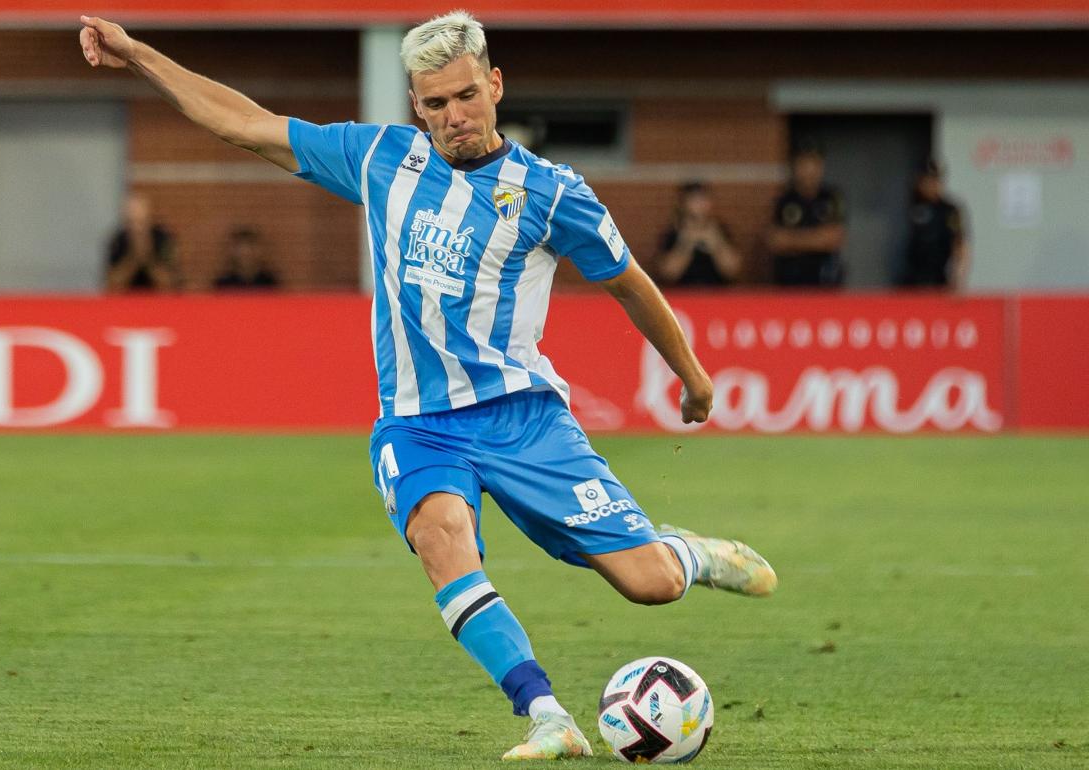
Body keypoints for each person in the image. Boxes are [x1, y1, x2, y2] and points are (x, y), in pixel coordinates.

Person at [81, 11, 776, 761]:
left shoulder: (550, 193)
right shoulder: (381, 158)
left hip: (523, 419)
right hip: (418, 423)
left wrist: (693, 377)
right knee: (441, 539)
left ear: (495, 85)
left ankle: (689, 555)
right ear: (416, 105)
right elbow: (245, 124)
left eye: (466, 96)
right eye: (435, 103)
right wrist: (138, 54)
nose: (454, 116)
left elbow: (631, 284)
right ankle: (546, 714)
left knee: (647, 585)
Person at [767, 145, 846, 287]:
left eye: (813, 164)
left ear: (821, 167)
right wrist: (817, 239)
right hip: (790, 284)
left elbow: (834, 238)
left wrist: (792, 241)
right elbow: (776, 241)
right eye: (804, 164)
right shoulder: (785, 200)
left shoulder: (831, 198)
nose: (809, 171)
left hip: (824, 282)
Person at [653, 181, 742, 287]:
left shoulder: (720, 230)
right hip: (683, 296)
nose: (700, 204)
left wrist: (716, 242)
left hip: (717, 295)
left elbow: (732, 270)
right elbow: (669, 273)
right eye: (694, 199)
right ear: (683, 203)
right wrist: (687, 242)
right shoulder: (672, 233)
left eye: (703, 199)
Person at [900, 159, 970, 290]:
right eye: (926, 180)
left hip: (938, 281)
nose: (931, 185)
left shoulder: (949, 210)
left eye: (935, 180)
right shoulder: (909, 206)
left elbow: (960, 247)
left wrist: (958, 280)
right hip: (911, 282)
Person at [106, 192, 181, 293]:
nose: (137, 228)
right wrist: (133, 259)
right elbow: (113, 284)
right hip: (127, 301)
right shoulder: (118, 240)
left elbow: (168, 283)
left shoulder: (163, 239)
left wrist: (148, 258)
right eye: (131, 222)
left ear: (148, 218)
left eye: (140, 222)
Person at [213, 227, 280, 290]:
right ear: (232, 251)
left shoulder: (269, 283)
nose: (246, 253)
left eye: (251, 248)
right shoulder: (223, 285)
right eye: (241, 248)